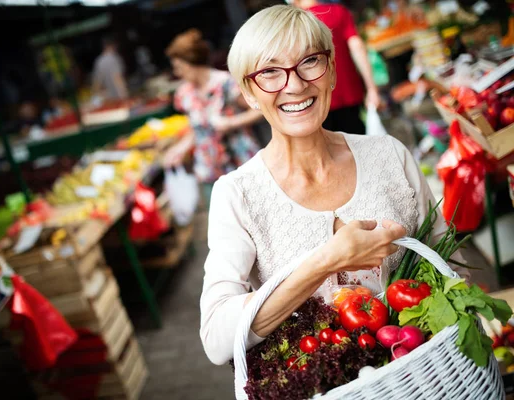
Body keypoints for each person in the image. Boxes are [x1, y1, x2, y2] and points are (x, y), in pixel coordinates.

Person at [199, 5, 468, 366]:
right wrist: (326, 262)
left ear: (333, 71)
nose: (294, 85)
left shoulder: (389, 155)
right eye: (270, 72)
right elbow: (216, 339)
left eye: (310, 61)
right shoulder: (238, 194)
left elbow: (453, 269)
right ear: (249, 93)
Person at [163, 29, 262, 207]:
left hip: (240, 164)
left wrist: (231, 123)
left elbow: (259, 110)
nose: (178, 73)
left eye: (179, 67)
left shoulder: (226, 83)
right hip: (209, 171)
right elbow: (197, 131)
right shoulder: (184, 94)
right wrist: (180, 148)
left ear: (191, 63)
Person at [292, 0, 381, 134]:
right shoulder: (338, 11)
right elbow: (357, 47)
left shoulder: (294, 25)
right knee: (358, 143)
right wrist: (371, 89)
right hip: (349, 94)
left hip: (313, 101)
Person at [92, 36, 129, 100]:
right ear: (112, 45)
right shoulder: (114, 58)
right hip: (118, 97)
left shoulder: (99, 61)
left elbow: (97, 83)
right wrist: (124, 96)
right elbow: (117, 78)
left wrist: (95, 99)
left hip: (108, 99)